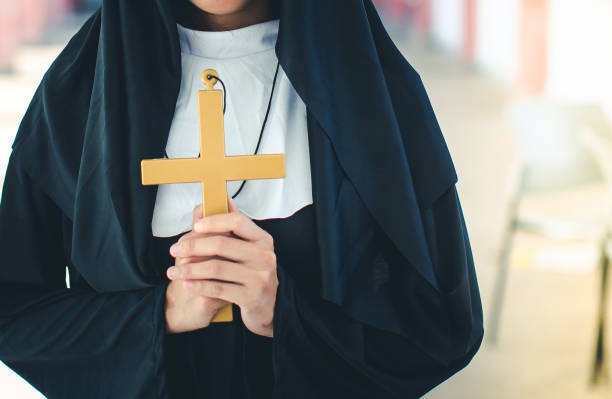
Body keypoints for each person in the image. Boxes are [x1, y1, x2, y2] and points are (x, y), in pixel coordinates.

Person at [0, 0, 484, 398]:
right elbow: (15, 315)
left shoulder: (373, 93)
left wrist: (285, 317)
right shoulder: (75, 96)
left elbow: (442, 330)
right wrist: (159, 315)